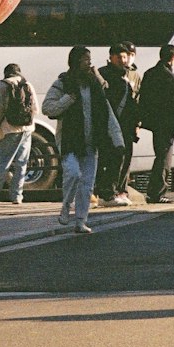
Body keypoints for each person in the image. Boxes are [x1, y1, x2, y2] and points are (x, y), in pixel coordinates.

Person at [42, 45, 123, 234]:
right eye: (86, 59)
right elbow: (48, 108)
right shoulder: (63, 82)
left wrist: (117, 139)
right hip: (70, 140)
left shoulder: (94, 84)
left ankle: (80, 220)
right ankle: (65, 206)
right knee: (73, 173)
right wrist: (68, 99)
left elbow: (107, 112)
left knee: (87, 183)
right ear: (76, 61)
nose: (89, 62)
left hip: (92, 141)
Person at [137, 42, 174, 205]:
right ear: (173, 58)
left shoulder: (149, 73)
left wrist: (141, 120)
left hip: (153, 122)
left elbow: (143, 98)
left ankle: (154, 192)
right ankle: (157, 193)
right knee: (164, 159)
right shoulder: (169, 77)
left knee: (159, 155)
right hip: (166, 123)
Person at [0, 62, 36, 206]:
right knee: (22, 164)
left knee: (2, 164)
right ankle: (17, 196)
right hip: (27, 129)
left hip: (9, 129)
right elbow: (35, 109)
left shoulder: (3, 85)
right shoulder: (27, 84)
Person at [95, 41, 142, 206]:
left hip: (127, 124)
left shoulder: (132, 75)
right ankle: (106, 192)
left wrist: (137, 124)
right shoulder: (102, 74)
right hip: (108, 123)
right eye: (120, 56)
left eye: (125, 56)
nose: (123, 60)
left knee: (123, 158)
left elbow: (137, 101)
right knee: (108, 157)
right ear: (111, 57)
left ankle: (119, 190)